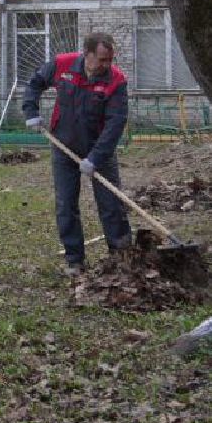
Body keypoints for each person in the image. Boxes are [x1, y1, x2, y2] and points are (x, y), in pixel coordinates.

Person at [22, 33, 132, 275]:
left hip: (99, 150)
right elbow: (35, 83)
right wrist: (31, 111)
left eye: (110, 59)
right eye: (102, 59)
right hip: (64, 146)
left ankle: (121, 257)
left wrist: (95, 158)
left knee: (111, 203)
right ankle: (75, 261)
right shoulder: (63, 65)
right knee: (66, 204)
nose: (107, 65)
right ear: (87, 54)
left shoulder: (116, 80)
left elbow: (116, 124)